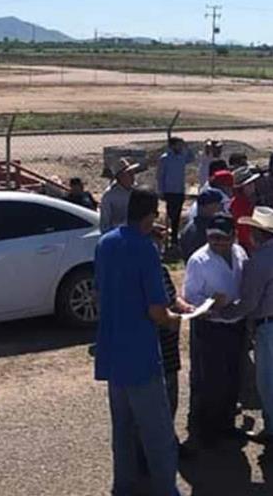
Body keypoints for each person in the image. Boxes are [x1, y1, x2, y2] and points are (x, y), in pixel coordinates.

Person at [93, 188, 190, 496]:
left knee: (122, 427)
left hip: (112, 349)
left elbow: (99, 292)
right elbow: (156, 310)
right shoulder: (145, 249)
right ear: (151, 216)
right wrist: (174, 322)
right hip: (141, 353)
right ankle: (165, 489)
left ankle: (124, 485)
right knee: (157, 431)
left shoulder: (106, 242)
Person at [216, 207, 273, 458]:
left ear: (256, 232)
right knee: (272, 382)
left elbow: (249, 302)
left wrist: (224, 313)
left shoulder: (260, 260)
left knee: (268, 386)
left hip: (271, 327)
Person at [182, 215, 248, 447]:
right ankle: (206, 431)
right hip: (210, 327)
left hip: (236, 324)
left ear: (233, 236)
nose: (218, 242)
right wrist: (211, 304)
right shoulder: (199, 261)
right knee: (209, 379)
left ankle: (226, 423)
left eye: (223, 238)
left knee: (232, 376)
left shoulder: (240, 253)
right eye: (213, 238)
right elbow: (190, 296)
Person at [157, 137, 196, 248]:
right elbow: (160, 176)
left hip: (179, 190)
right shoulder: (165, 158)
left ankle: (174, 238)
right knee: (170, 214)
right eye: (178, 144)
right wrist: (161, 190)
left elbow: (192, 158)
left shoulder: (181, 156)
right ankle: (167, 236)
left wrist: (187, 147)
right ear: (172, 145)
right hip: (169, 190)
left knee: (177, 214)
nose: (180, 146)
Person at [179, 190, 226, 263]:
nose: (220, 208)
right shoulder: (196, 230)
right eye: (216, 204)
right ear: (204, 207)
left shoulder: (193, 227)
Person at [100, 157, 141, 233]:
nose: (133, 175)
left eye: (132, 172)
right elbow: (105, 225)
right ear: (120, 176)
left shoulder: (137, 190)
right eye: (128, 173)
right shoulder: (109, 196)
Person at [230, 166, 260, 252]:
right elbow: (245, 231)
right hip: (246, 247)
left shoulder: (248, 201)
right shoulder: (239, 205)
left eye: (253, 183)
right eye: (249, 184)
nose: (253, 186)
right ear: (241, 188)